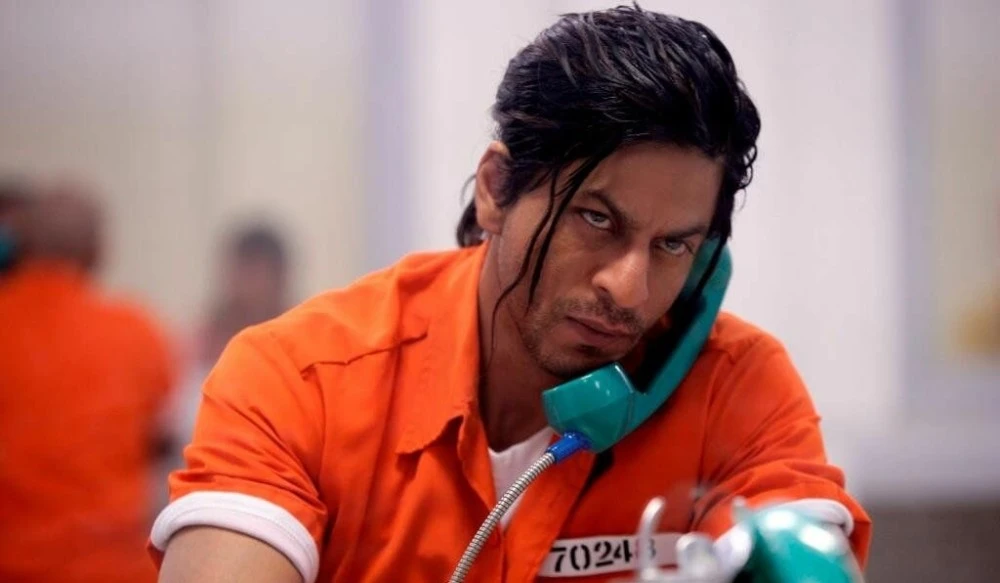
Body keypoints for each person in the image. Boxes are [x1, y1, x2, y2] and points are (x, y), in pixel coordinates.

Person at [152, 6, 872, 582]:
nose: (628, 289)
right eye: (597, 219)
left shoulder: (735, 388)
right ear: (496, 190)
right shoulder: (302, 379)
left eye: (672, 245)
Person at [0, 183, 176, 582]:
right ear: (99, 251)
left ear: (22, 244)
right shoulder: (136, 331)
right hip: (112, 566)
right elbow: (161, 437)